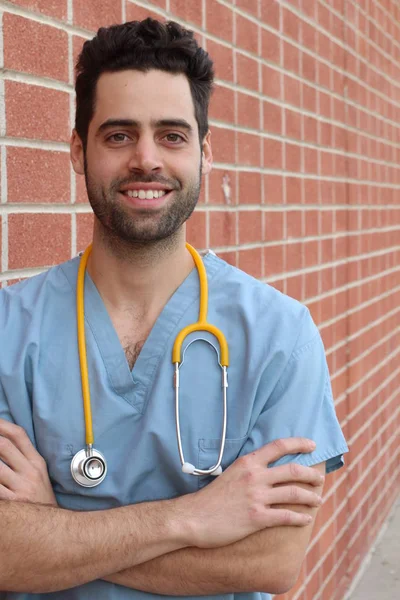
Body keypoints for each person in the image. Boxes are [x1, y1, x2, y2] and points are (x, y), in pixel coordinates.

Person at [0, 18, 348, 600]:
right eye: (117, 135)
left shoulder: (279, 335)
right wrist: (191, 519)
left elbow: (271, 560)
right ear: (77, 152)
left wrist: (56, 527)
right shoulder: (11, 329)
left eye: (172, 135)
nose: (146, 160)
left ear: (205, 154)